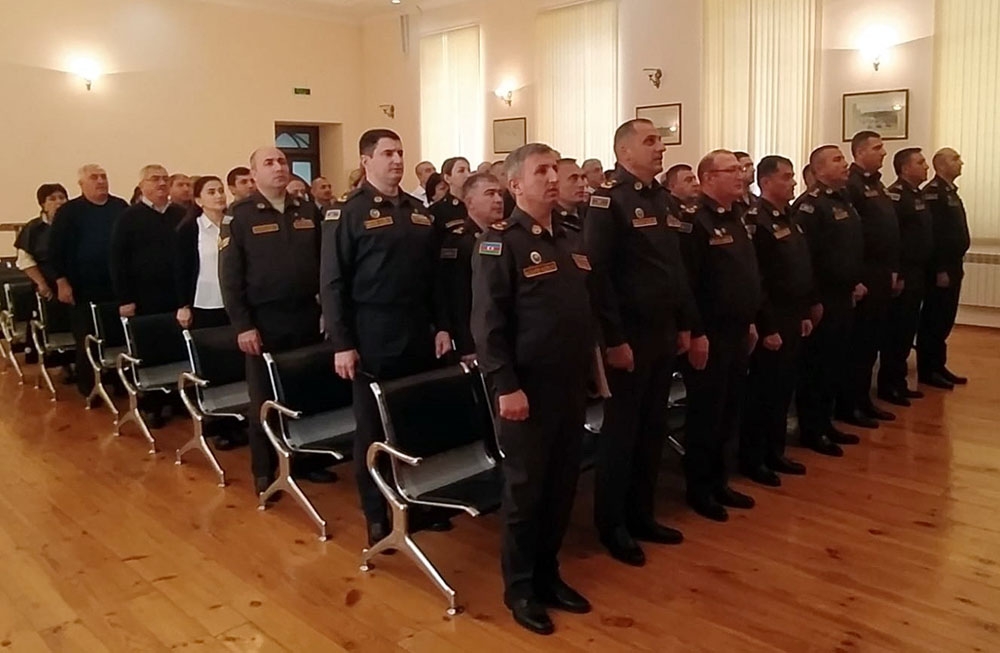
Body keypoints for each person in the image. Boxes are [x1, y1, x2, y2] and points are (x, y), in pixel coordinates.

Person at [472, 142, 595, 636]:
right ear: (515, 185)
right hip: (526, 388)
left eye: (555, 169)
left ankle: (548, 574)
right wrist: (506, 386)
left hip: (570, 383)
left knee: (563, 484)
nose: (552, 177)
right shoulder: (500, 243)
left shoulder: (569, 236)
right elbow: (488, 325)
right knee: (526, 490)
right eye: (541, 171)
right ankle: (520, 587)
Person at [320, 129, 450, 545]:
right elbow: (333, 282)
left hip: (417, 328)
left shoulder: (418, 211)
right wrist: (342, 343)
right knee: (373, 428)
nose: (397, 160)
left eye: (400, 153)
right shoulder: (348, 212)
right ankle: (377, 514)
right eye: (388, 153)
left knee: (416, 419)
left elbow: (435, 277)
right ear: (366, 161)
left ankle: (419, 501)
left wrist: (442, 325)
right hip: (371, 330)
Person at [585, 118, 693, 564]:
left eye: (660, 140)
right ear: (624, 152)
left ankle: (642, 514)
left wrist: (684, 324)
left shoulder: (663, 199)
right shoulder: (607, 201)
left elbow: (675, 269)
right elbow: (598, 275)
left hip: (662, 331)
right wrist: (614, 338)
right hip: (629, 336)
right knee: (622, 433)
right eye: (650, 141)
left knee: (653, 427)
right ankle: (612, 525)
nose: (660, 147)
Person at [219, 146, 331, 495]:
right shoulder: (239, 215)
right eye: (268, 162)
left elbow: (324, 265)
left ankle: (307, 462)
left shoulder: (306, 209)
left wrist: (327, 310)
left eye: (282, 161)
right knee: (264, 400)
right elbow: (230, 277)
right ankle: (264, 470)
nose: (278, 167)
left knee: (307, 392)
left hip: (306, 315)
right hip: (263, 320)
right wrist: (243, 325)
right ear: (254, 175)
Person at [677, 149, 761, 522]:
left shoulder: (735, 216)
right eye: (732, 170)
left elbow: (745, 275)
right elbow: (687, 284)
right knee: (706, 415)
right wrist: (696, 333)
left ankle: (720, 481)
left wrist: (751, 321)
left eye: (741, 169)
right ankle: (700, 489)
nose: (741, 175)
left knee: (729, 411)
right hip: (709, 334)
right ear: (709, 178)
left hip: (737, 329)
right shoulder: (694, 221)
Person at [739, 156, 813, 487]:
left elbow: (800, 267)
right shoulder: (757, 220)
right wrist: (767, 326)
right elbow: (759, 280)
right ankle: (754, 458)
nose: (794, 182)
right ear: (766, 182)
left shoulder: (788, 216)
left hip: (792, 314)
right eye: (786, 177)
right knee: (764, 392)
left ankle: (775, 451)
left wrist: (804, 312)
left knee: (783, 388)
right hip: (773, 316)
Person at [792, 145, 866, 458]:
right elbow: (805, 258)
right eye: (837, 160)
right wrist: (813, 300)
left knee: (835, 363)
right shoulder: (811, 206)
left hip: (843, 294)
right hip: (823, 298)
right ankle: (812, 429)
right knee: (817, 366)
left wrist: (854, 281)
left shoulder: (842, 198)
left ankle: (826, 422)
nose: (845, 163)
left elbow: (848, 248)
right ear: (819, 169)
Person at [48, 164, 129, 398]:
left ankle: (119, 382)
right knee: (87, 337)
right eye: (94, 177)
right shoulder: (69, 212)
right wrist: (61, 282)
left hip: (116, 285)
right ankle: (89, 387)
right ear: (82, 184)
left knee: (117, 335)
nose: (101, 181)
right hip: (82, 286)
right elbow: (56, 250)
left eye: (103, 176)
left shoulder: (120, 207)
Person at [840, 131, 900, 429]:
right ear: (860, 152)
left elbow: (887, 230)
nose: (883, 153)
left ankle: (863, 400)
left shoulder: (876, 183)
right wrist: (857, 278)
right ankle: (849, 404)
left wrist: (893, 268)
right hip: (864, 274)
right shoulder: (851, 185)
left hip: (880, 272)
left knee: (872, 341)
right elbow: (851, 238)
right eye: (877, 148)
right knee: (859, 344)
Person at [877, 148, 933, 405]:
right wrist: (897, 273)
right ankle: (889, 385)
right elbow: (894, 238)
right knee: (897, 332)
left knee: (908, 328)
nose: (926, 166)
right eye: (920, 162)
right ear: (905, 168)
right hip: (905, 273)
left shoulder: (916, 194)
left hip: (917, 271)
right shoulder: (897, 195)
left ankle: (899, 382)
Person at [435, 173, 505, 361]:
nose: (498, 200)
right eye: (490, 194)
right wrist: (467, 344)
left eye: (500, 194)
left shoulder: (504, 237)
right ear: (470, 202)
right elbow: (457, 298)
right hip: (475, 340)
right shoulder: (459, 241)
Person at [917, 147, 970, 389]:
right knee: (934, 319)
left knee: (946, 318)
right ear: (940, 165)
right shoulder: (933, 194)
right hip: (941, 268)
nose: (960, 162)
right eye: (955, 159)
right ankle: (928, 370)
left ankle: (939, 365)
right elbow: (934, 236)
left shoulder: (949, 191)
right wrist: (940, 269)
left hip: (953, 265)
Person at [110, 165, 186, 317]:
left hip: (179, 295)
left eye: (165, 179)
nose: (162, 183)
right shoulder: (128, 217)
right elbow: (118, 259)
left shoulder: (182, 214)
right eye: (155, 179)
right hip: (144, 296)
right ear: (141, 186)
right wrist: (125, 299)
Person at [175, 176, 231, 331]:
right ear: (199, 201)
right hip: (205, 301)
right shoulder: (190, 228)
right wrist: (183, 305)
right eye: (211, 192)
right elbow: (182, 269)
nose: (219, 196)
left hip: (235, 300)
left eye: (221, 191)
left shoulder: (234, 224)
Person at [15, 183, 68, 299]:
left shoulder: (75, 224)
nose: (59, 202)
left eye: (62, 198)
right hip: (48, 286)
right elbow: (25, 260)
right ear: (43, 204)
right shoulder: (33, 228)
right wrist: (41, 283)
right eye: (52, 199)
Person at [430, 157, 471, 233]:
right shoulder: (437, 210)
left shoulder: (477, 204)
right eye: (461, 171)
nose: (468, 175)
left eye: (469, 170)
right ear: (447, 178)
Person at [554, 158, 588, 229]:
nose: (582, 184)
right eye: (574, 179)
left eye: (583, 178)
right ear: (555, 183)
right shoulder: (549, 219)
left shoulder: (589, 213)